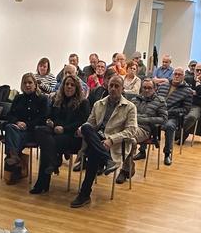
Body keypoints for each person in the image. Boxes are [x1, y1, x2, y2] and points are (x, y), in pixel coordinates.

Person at [71, 75, 138, 207]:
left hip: (113, 142)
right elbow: (90, 123)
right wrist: (80, 129)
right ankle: (107, 160)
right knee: (85, 128)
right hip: (97, 138)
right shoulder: (98, 104)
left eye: (116, 86)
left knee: (93, 153)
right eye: (111, 85)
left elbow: (131, 131)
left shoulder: (130, 107)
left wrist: (111, 140)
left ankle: (84, 194)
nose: (113, 89)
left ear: (122, 89)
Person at [31, 74, 89, 195]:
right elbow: (50, 115)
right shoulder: (57, 99)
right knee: (40, 130)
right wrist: (50, 122)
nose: (69, 87)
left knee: (47, 146)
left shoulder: (83, 102)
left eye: (72, 85)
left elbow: (82, 122)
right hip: (55, 132)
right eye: (67, 84)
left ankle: (42, 183)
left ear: (77, 87)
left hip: (72, 136)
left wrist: (64, 128)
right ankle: (54, 162)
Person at [4, 72, 50, 174]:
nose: (27, 85)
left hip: (33, 132)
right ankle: (15, 157)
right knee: (10, 127)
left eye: (30, 82)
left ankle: (13, 157)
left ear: (35, 84)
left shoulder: (43, 99)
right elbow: (9, 115)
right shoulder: (18, 98)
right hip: (17, 130)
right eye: (25, 83)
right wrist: (17, 122)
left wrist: (27, 125)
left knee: (11, 135)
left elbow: (43, 118)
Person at [130, 78, 175, 162]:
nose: (146, 90)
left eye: (149, 88)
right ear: (141, 88)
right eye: (144, 87)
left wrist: (146, 119)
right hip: (130, 126)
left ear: (155, 89)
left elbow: (164, 119)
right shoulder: (134, 100)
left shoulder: (160, 101)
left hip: (145, 129)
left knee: (129, 137)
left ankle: (127, 166)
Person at [159, 68, 194, 165]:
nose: (177, 76)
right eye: (175, 74)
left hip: (173, 117)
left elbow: (186, 109)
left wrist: (169, 111)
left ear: (183, 77)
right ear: (172, 74)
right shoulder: (163, 86)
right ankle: (142, 150)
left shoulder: (187, 91)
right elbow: (155, 99)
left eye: (180, 74)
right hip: (158, 114)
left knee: (169, 126)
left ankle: (167, 153)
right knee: (146, 121)